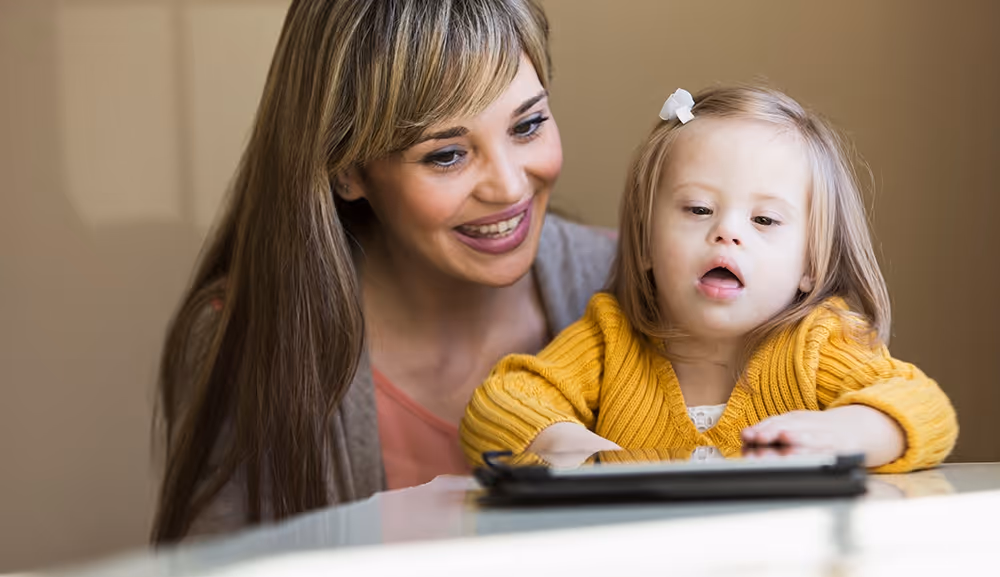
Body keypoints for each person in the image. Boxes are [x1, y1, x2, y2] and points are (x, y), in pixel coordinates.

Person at [152, 0, 615, 544]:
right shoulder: (247, 341)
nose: (510, 187)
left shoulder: (640, 285)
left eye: (529, 124)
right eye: (446, 155)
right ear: (348, 170)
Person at [461, 85, 958, 472]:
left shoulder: (819, 342)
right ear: (647, 241)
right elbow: (501, 404)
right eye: (699, 209)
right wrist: (578, 452)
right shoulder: (609, 340)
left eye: (764, 221)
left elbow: (923, 407)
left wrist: (842, 432)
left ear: (811, 265)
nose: (726, 233)